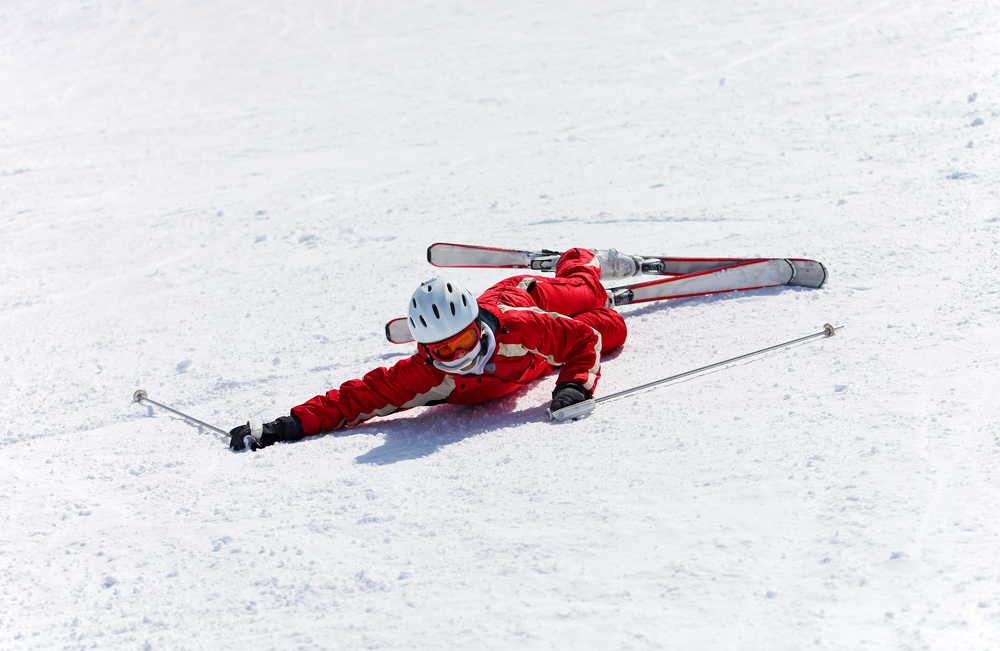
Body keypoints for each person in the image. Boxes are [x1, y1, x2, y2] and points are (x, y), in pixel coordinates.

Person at [229, 247, 644, 450]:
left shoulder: (516, 327)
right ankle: (605, 305)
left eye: (464, 341)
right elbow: (355, 399)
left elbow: (580, 343)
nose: (458, 355)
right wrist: (284, 426)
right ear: (425, 349)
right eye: (444, 350)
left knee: (586, 291)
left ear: (475, 325)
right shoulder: (425, 373)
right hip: (537, 359)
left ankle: (582, 257)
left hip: (522, 298)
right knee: (613, 329)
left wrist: (573, 388)